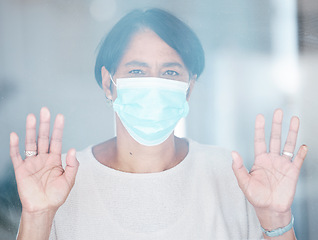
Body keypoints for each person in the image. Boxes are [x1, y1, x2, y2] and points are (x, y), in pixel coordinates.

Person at [9, 8, 307, 240]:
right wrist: (38, 216)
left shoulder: (233, 176)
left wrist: (276, 218)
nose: (153, 84)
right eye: (137, 70)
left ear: (189, 87)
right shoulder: (61, 182)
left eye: (170, 72)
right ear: (108, 83)